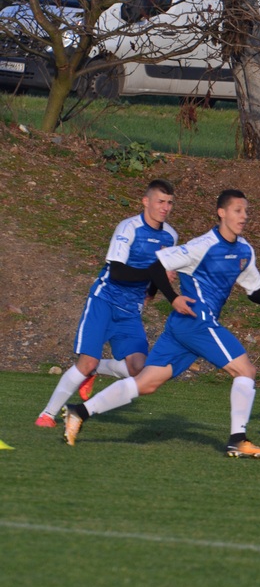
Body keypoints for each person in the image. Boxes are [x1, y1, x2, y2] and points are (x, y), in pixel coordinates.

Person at [62, 189, 260, 458]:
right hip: (196, 321)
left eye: (246, 211)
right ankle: (238, 440)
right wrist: (173, 298)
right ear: (222, 213)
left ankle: (80, 412)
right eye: (238, 210)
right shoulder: (202, 245)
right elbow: (158, 266)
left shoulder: (244, 250)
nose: (244, 216)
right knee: (246, 370)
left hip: (183, 327)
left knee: (145, 383)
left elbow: (254, 290)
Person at [35, 179, 179, 428]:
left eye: (169, 203)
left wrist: (153, 291)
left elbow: (161, 268)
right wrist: (154, 275)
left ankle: (94, 370)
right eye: (160, 201)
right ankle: (47, 414)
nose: (165, 207)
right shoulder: (128, 228)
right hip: (104, 302)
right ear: (146, 202)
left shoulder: (170, 235)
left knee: (139, 369)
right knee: (86, 360)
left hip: (130, 311)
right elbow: (118, 273)